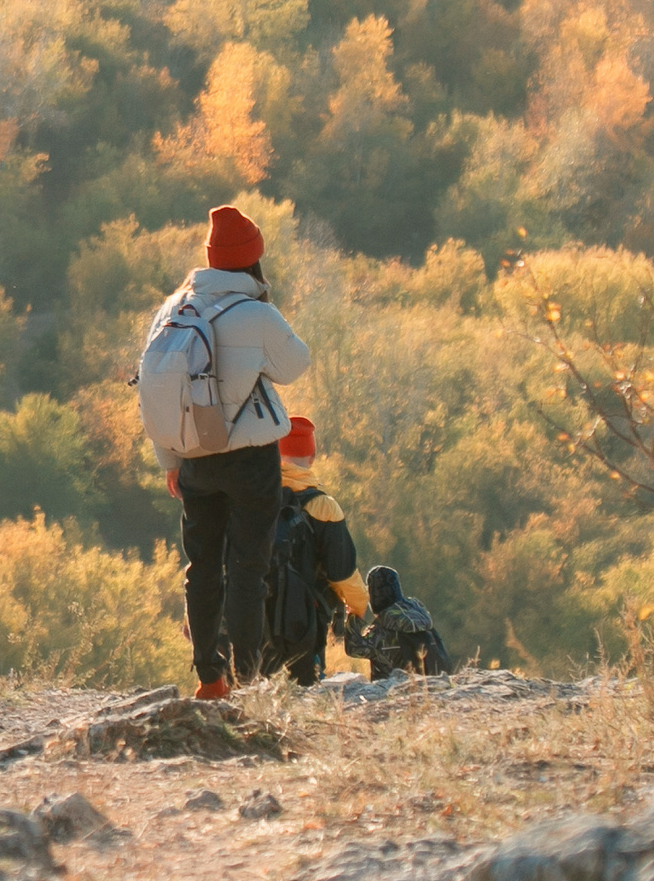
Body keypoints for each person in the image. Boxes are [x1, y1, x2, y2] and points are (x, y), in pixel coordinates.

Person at [144, 205, 311, 700]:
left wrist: (170, 461)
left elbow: (158, 389)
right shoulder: (257, 314)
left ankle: (209, 678)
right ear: (253, 260)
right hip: (252, 458)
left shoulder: (174, 309)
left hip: (194, 454)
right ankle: (248, 679)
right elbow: (295, 365)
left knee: (202, 568)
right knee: (247, 569)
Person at [259, 415, 369, 685]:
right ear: (312, 456)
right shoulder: (323, 506)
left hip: (253, 612)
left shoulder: (254, 500)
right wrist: (359, 608)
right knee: (304, 689)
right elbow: (342, 574)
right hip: (303, 621)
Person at [348, 565, 456, 681]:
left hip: (398, 689)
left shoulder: (381, 632)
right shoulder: (421, 620)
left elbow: (353, 648)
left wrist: (353, 616)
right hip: (437, 682)